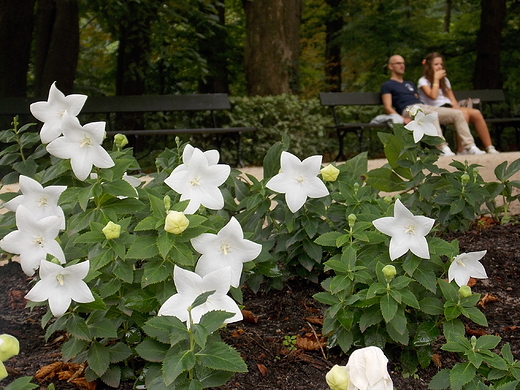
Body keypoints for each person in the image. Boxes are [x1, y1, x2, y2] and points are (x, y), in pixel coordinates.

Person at [381, 54, 485, 156]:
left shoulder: (409, 84)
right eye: (398, 63)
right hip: (409, 109)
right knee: (431, 114)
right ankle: (443, 148)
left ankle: (470, 146)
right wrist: (402, 118)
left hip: (423, 106)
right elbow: (387, 107)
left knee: (457, 113)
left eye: (403, 63)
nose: (402, 65)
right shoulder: (387, 85)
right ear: (390, 66)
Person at [418, 52, 498, 154]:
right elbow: (433, 96)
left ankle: (490, 147)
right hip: (435, 109)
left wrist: (455, 106)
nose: (439, 67)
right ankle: (462, 149)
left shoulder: (445, 80)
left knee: (476, 113)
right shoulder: (423, 81)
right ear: (429, 66)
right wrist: (436, 79)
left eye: (441, 64)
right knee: (463, 113)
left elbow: (452, 99)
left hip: (448, 108)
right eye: (436, 64)